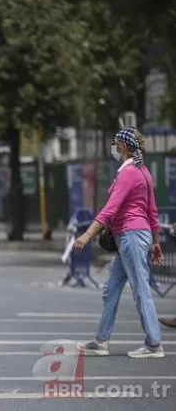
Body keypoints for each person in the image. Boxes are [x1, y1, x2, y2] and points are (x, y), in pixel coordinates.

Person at [73, 128, 165, 358]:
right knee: (111, 287)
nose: (113, 147)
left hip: (132, 235)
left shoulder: (129, 173)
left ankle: (154, 344)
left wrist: (86, 235)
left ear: (123, 147)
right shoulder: (141, 170)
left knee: (140, 289)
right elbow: (152, 210)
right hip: (134, 235)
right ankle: (101, 340)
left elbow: (109, 209)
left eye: (116, 143)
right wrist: (155, 241)